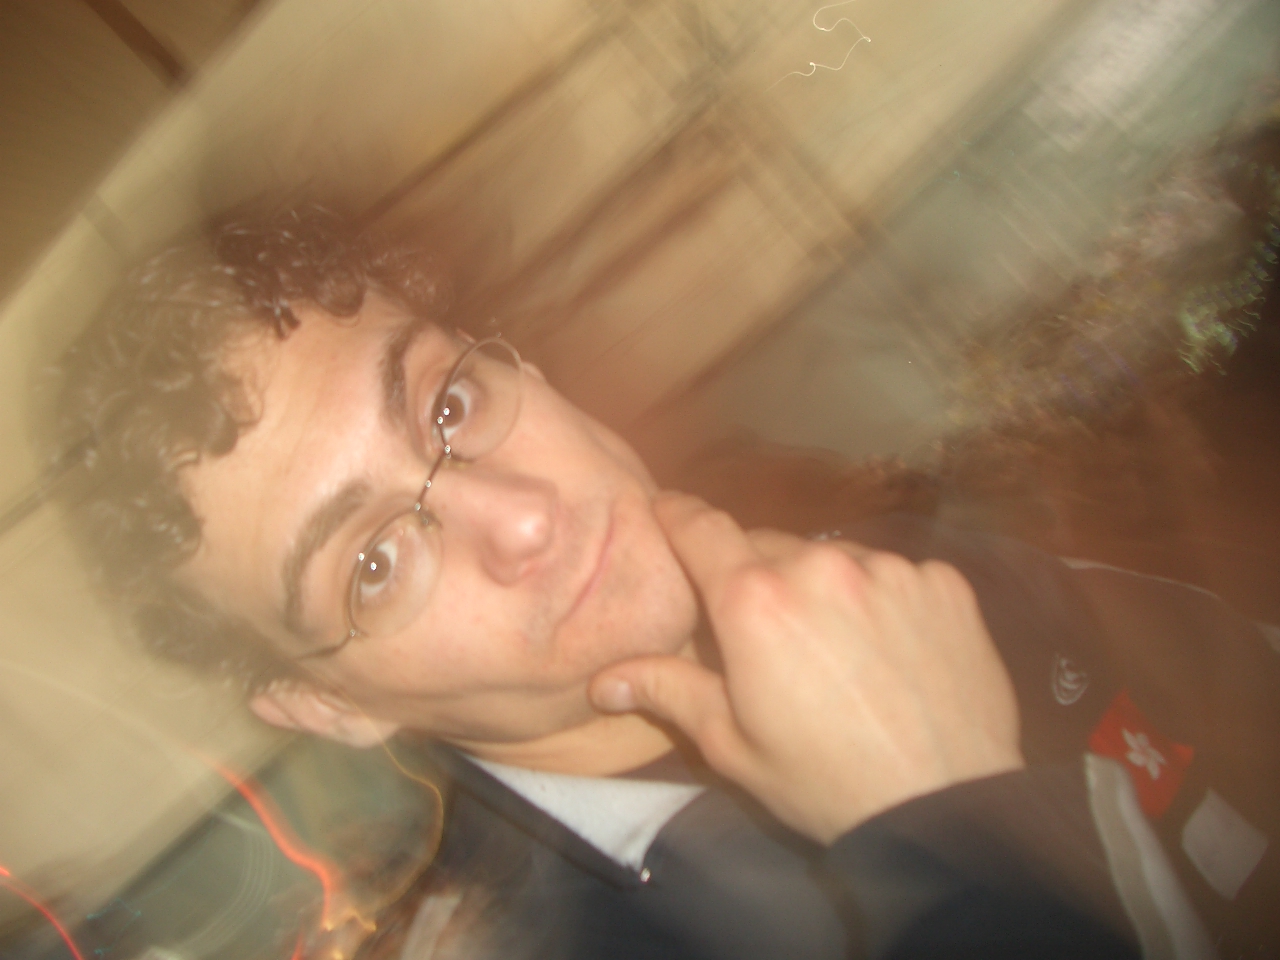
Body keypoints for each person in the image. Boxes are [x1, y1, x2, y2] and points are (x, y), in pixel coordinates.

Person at [54, 205, 1253, 960]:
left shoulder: (902, 570)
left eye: (449, 406)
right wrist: (959, 832)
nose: (521, 517)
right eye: (374, 562)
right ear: (328, 706)